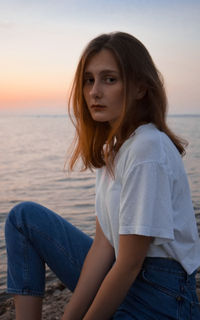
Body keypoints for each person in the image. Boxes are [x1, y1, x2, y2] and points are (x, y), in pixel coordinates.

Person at [5, 32, 200, 320]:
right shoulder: (114, 152)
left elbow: (130, 264)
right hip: (127, 279)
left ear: (140, 88)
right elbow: (103, 246)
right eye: (89, 80)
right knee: (23, 219)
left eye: (109, 79)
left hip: (161, 299)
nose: (95, 91)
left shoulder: (147, 146)